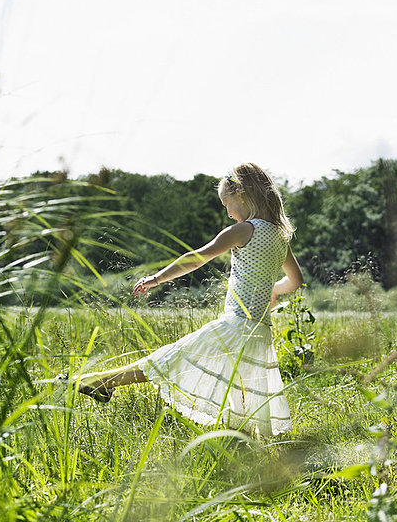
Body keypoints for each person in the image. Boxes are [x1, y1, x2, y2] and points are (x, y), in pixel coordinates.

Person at [73, 163, 303, 436]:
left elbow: (197, 258)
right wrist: (273, 290)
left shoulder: (245, 230)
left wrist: (156, 278)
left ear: (241, 195)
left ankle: (100, 381)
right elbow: (296, 280)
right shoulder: (280, 235)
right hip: (259, 331)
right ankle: (240, 446)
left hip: (236, 325)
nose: (227, 212)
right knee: (239, 394)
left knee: (167, 360)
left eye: (226, 204)